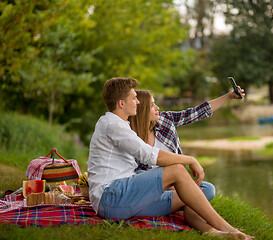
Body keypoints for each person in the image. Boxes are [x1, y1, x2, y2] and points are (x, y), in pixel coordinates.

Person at [88, 77, 254, 239]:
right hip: (112, 198)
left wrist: (228, 96)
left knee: (202, 189)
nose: (137, 102)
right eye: (134, 98)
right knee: (176, 170)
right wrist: (190, 160)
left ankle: (212, 231)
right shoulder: (113, 124)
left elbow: (194, 113)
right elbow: (149, 155)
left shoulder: (123, 124)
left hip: (122, 199)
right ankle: (227, 228)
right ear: (121, 103)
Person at [128, 89, 248, 201]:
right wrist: (167, 185)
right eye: (152, 105)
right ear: (142, 110)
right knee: (138, 175)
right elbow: (132, 173)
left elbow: (197, 112)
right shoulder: (128, 134)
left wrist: (229, 96)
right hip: (151, 186)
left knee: (208, 189)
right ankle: (181, 200)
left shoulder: (165, 120)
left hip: (177, 182)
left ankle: (175, 200)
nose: (157, 108)